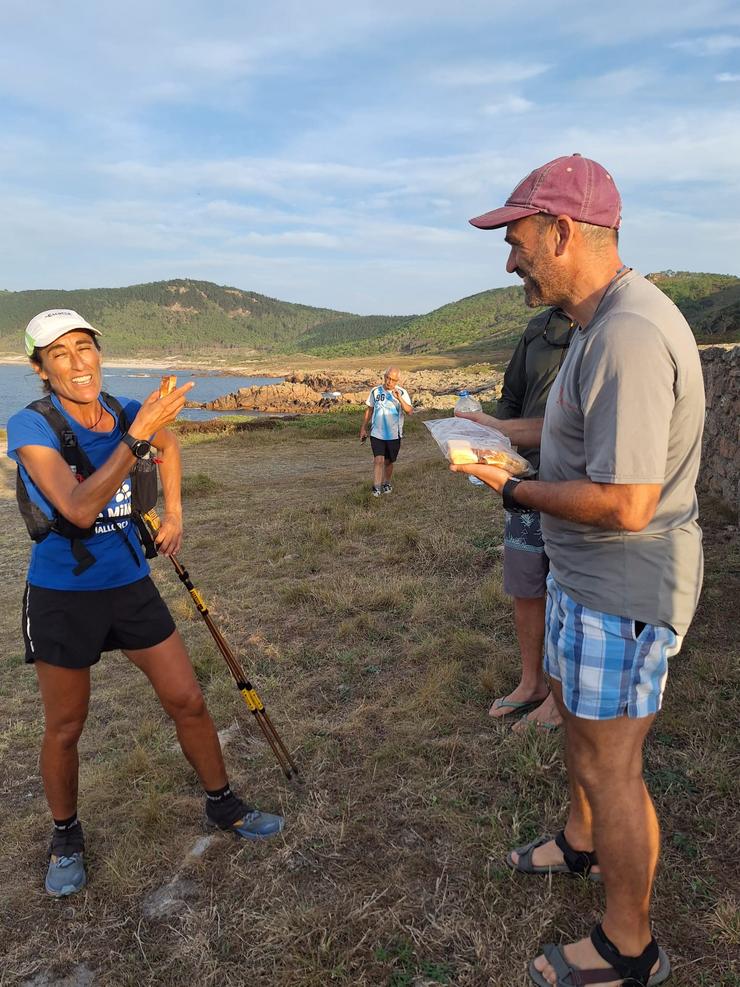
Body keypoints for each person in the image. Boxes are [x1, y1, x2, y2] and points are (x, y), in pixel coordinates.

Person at [453, 155, 704, 986]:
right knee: (584, 741)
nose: (511, 259)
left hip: (621, 586)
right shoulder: (600, 321)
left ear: (562, 231)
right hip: (586, 578)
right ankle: (581, 838)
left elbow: (629, 501)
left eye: (519, 239)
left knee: (613, 765)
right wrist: (500, 433)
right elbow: (578, 439)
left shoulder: (628, 334)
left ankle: (630, 946)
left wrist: (512, 486)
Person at [7, 309, 284, 898]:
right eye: (60, 354)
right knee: (65, 725)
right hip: (63, 594)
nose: (78, 362)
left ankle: (223, 806)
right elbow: (78, 508)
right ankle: (65, 837)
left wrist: (176, 511)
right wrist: (137, 437)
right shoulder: (29, 427)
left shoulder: (127, 412)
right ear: (40, 367)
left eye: (85, 347)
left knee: (187, 698)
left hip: (131, 584)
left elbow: (170, 442)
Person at [457, 306, 574, 732]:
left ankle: (562, 698)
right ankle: (531, 684)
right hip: (527, 476)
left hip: (575, 483)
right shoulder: (538, 328)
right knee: (526, 584)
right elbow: (511, 397)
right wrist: (493, 448)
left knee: (568, 591)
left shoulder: (604, 325)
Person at [359, 367, 413, 497]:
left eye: (393, 380)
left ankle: (386, 482)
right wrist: (363, 428)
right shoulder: (375, 391)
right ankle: (376, 487)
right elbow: (369, 410)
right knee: (378, 459)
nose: (389, 382)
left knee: (389, 461)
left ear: (397, 380)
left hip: (394, 434)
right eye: (387, 378)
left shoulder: (402, 392)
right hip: (377, 432)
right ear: (384, 376)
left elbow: (410, 411)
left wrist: (399, 398)